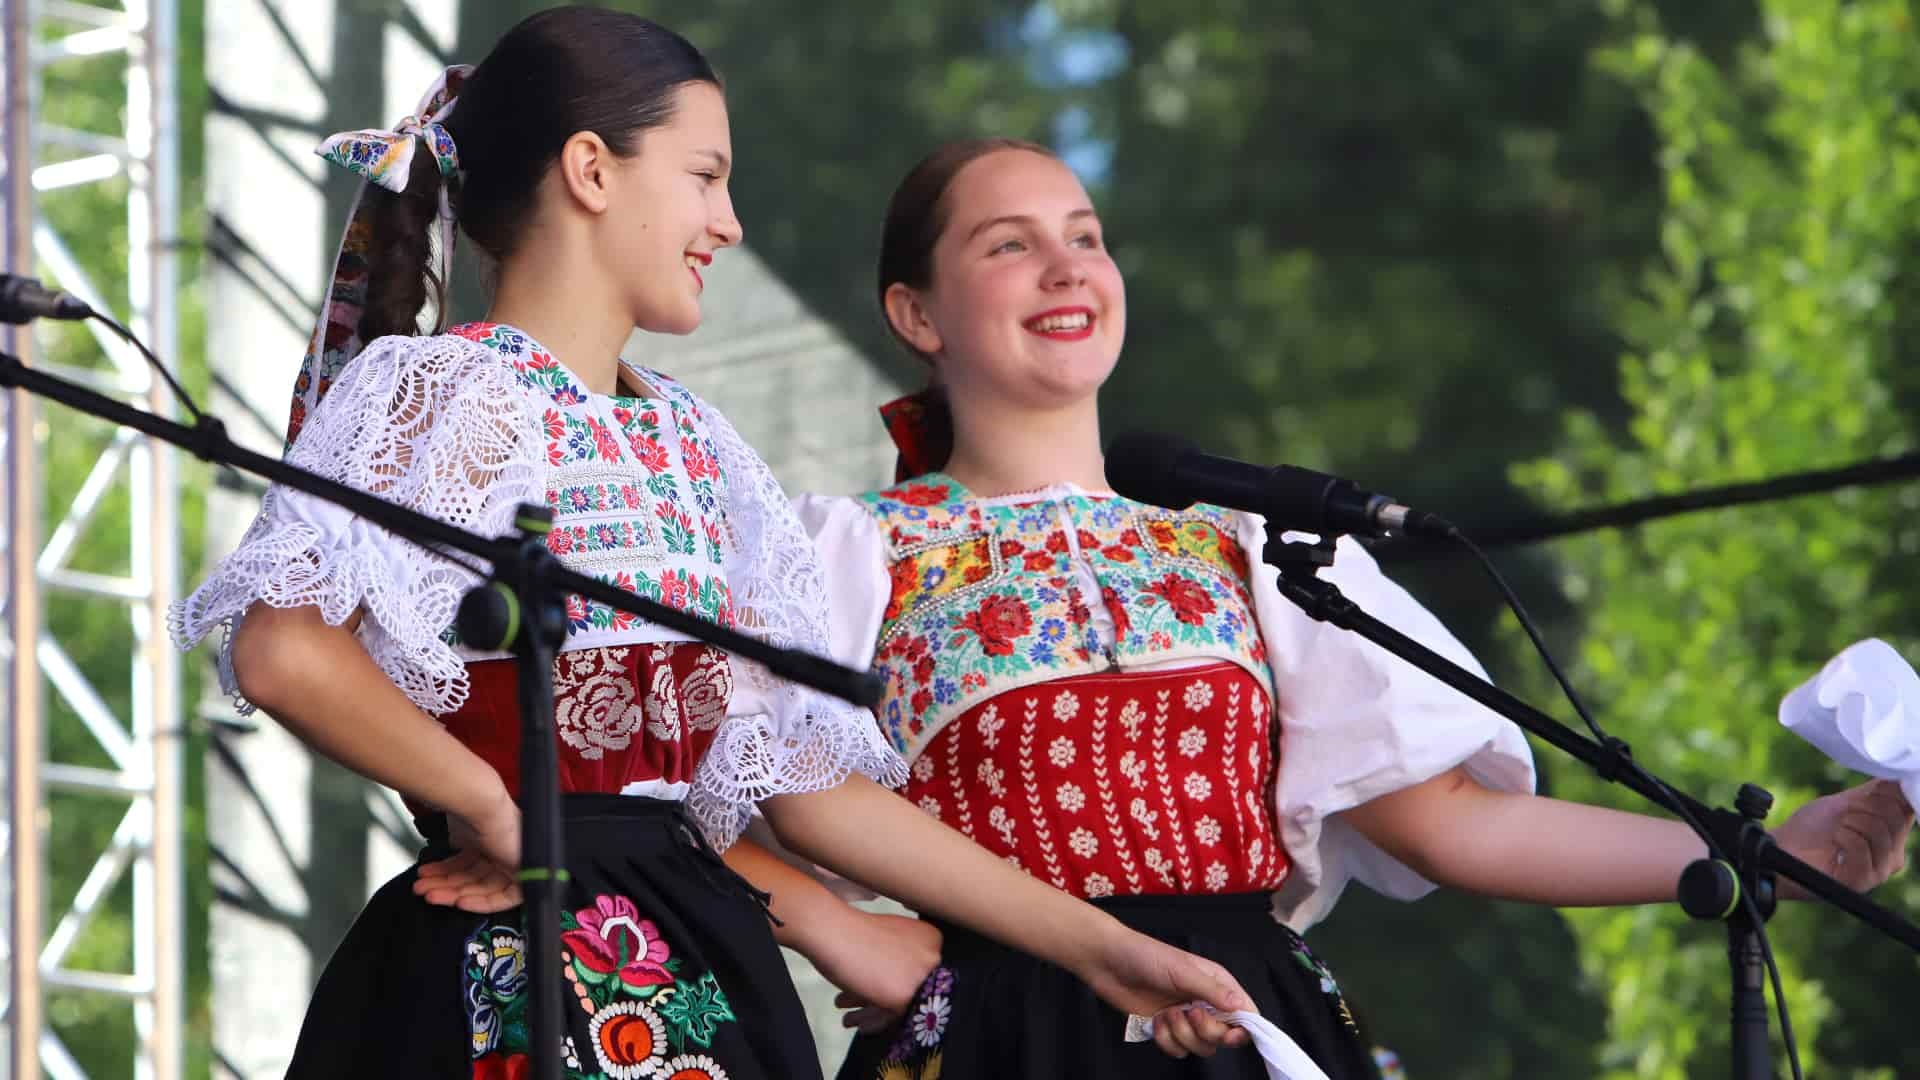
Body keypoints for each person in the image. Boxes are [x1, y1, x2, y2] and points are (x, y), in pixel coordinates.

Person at [169, 19, 1257, 1080]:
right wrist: (494, 802)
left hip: (694, 943)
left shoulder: (694, 439)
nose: (727, 222)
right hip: (507, 955)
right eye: (704, 176)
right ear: (592, 170)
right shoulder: (446, 391)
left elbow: (794, 778)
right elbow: (287, 653)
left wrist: (1099, 948)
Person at [720, 137, 1917, 1079]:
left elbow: (1449, 821)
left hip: (1253, 1026)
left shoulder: (1245, 548)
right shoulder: (848, 552)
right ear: (917, 315)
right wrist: (837, 926)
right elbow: (676, 777)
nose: (1069, 265)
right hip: (997, 1030)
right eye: (1008, 245)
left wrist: (1757, 854)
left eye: (1086, 236)